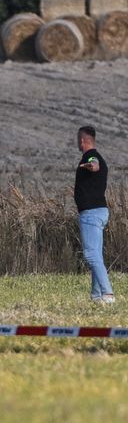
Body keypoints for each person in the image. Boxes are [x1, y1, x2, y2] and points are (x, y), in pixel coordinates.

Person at [74, 125, 114, 303]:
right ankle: (96, 296)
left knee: (90, 255)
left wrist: (91, 166)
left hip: (91, 213)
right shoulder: (99, 157)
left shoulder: (92, 157)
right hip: (99, 211)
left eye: (78, 139)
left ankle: (108, 293)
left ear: (82, 140)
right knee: (96, 254)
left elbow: (94, 164)